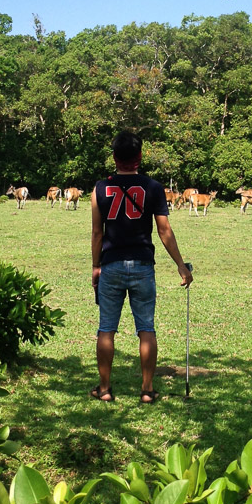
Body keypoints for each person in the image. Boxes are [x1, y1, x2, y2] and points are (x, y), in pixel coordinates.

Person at [91, 131, 193, 403]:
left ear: (115, 157)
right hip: (143, 266)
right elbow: (164, 231)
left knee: (106, 328)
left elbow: (97, 234)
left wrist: (95, 267)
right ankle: (147, 390)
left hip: (110, 265)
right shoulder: (153, 187)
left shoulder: (100, 188)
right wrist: (181, 266)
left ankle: (104, 389)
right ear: (139, 157)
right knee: (146, 327)